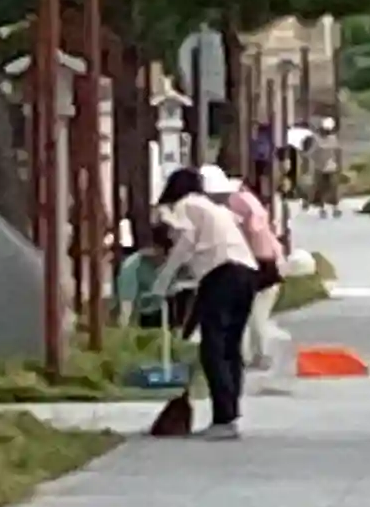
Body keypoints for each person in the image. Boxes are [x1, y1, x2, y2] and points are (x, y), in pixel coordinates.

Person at [153, 167, 260, 439]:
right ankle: (230, 414)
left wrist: (163, 279)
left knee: (213, 346)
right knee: (231, 346)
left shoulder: (184, 205)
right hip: (246, 273)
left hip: (222, 274)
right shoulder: (213, 208)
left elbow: (186, 242)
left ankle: (223, 417)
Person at [199, 163, 285, 370]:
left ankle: (256, 356)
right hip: (265, 262)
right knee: (251, 314)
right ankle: (250, 356)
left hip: (257, 264)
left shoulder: (236, 203)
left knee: (254, 315)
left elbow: (253, 229)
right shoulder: (245, 198)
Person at [115, 223, 196, 330]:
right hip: (144, 315)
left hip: (174, 313)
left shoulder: (181, 264)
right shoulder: (132, 267)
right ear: (157, 249)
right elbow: (126, 306)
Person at [307, 117, 343, 217]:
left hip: (331, 168)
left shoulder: (332, 139)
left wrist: (338, 164)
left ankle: (335, 208)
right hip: (321, 168)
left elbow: (337, 152)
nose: (326, 132)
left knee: (333, 188)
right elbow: (312, 153)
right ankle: (323, 209)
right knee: (322, 188)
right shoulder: (317, 140)